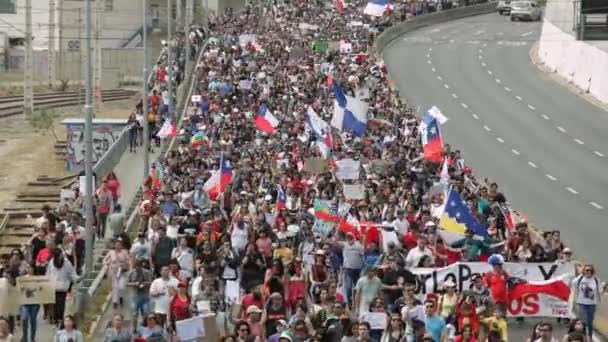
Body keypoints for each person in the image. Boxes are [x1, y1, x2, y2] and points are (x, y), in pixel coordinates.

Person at [46, 249, 79, 325]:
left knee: (61, 304)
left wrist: (77, 279)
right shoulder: (51, 263)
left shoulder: (66, 263)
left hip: (63, 287)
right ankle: (55, 319)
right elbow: (48, 273)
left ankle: (60, 319)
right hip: (53, 286)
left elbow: (71, 273)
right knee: (54, 303)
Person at [572, 264, 601, 340]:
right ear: (584, 271)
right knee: (584, 321)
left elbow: (600, 290)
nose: (589, 272)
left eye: (590, 270)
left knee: (590, 322)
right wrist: (581, 274)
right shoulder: (580, 278)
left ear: (593, 271)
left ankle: (590, 337)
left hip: (592, 304)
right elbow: (573, 282)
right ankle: (582, 337)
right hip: (582, 303)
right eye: (587, 270)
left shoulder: (596, 280)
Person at [104, 238, 130, 309]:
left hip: (122, 271)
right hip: (114, 271)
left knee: (121, 286)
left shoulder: (124, 252)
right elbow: (105, 260)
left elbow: (128, 260)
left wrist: (125, 264)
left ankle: (121, 297)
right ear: (115, 245)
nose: (118, 246)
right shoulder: (111, 252)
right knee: (115, 287)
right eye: (117, 245)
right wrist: (107, 264)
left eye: (120, 245)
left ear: (121, 246)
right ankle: (115, 301)